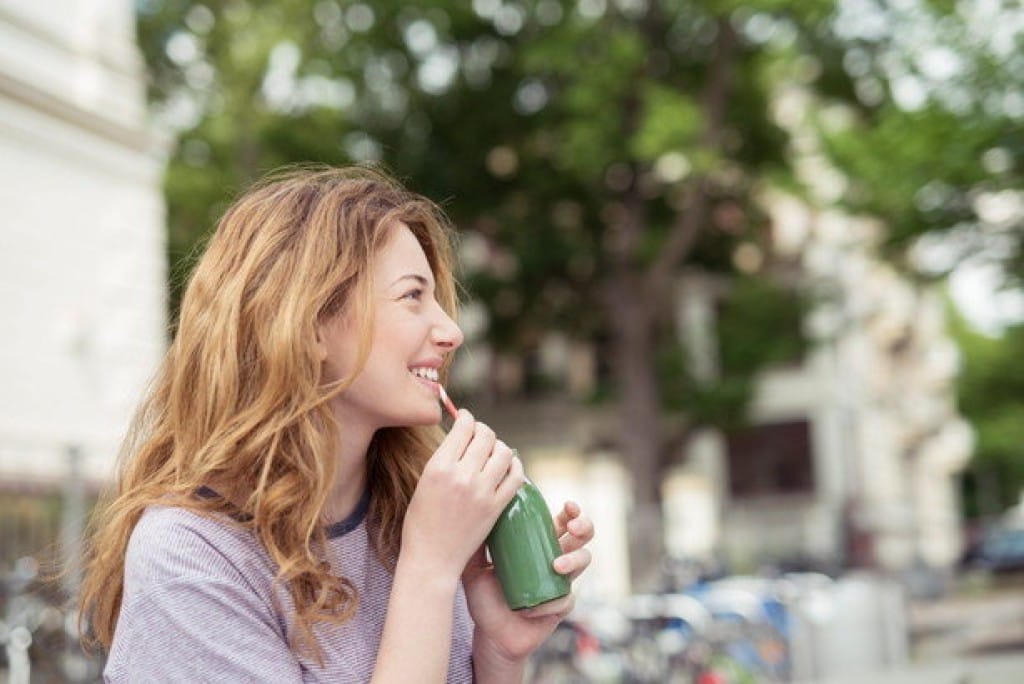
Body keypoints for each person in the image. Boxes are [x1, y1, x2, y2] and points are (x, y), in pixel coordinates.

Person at [77, 166, 594, 682]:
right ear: (307, 326)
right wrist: (429, 570)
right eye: (413, 295)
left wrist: (499, 654)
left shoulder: (413, 515)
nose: (451, 331)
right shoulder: (191, 558)